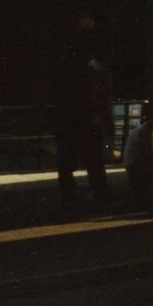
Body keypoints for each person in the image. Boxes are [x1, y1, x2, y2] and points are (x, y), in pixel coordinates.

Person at [48, 11, 112, 214]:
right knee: (94, 164)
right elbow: (100, 96)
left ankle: (70, 200)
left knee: (67, 164)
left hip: (67, 121)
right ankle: (101, 198)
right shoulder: (92, 70)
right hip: (87, 121)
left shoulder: (63, 67)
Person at [123, 103, 153, 209]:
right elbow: (143, 152)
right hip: (134, 163)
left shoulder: (144, 130)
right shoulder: (142, 131)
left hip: (136, 162)